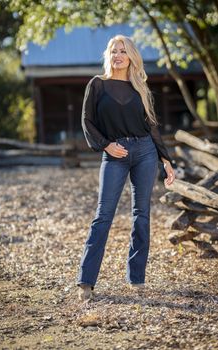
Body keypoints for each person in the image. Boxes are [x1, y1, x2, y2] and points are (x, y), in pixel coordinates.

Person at [76, 35, 175, 301]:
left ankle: (136, 279)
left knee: (141, 215)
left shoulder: (140, 87)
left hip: (145, 152)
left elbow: (151, 125)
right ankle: (86, 281)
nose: (118, 55)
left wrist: (165, 160)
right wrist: (106, 145)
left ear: (131, 56)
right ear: (108, 55)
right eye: (113, 51)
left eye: (123, 51)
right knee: (103, 216)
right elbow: (87, 122)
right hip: (115, 153)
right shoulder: (97, 85)